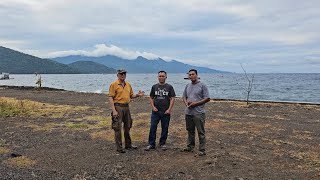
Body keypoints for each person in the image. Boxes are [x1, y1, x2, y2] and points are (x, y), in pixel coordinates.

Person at [108, 69, 145, 153]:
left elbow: (131, 95)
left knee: (128, 126)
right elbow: (110, 97)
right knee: (117, 127)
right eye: (121, 74)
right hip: (118, 106)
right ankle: (119, 147)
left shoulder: (128, 84)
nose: (123, 75)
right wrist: (114, 110)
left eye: (124, 74)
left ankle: (128, 145)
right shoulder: (114, 85)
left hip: (126, 107)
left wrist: (138, 95)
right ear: (117, 75)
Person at [145, 70, 176, 151]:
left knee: (165, 128)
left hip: (166, 111)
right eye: (160, 76)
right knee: (152, 127)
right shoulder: (154, 86)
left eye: (163, 76)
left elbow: (172, 98)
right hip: (156, 112)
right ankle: (151, 144)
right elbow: (151, 97)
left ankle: (162, 143)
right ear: (157, 77)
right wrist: (153, 107)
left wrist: (169, 109)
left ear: (166, 77)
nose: (161, 77)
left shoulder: (169, 87)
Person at [182, 69, 210, 156]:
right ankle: (190, 146)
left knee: (201, 132)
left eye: (193, 74)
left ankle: (202, 150)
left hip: (198, 113)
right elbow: (184, 96)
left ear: (197, 75)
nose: (191, 76)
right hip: (188, 112)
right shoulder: (187, 86)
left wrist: (195, 104)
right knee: (190, 131)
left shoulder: (202, 85)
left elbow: (207, 98)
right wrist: (186, 103)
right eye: (189, 75)